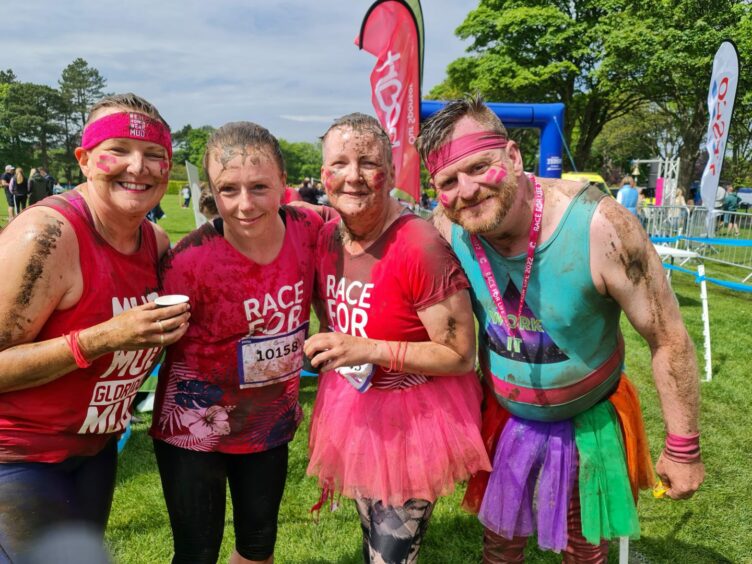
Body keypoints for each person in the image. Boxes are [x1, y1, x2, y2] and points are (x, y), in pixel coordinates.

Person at [417, 96, 704, 563]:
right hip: (506, 417)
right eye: (448, 181)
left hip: (590, 420)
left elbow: (668, 336)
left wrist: (684, 447)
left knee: (584, 547)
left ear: (513, 156)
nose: (465, 191)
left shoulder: (602, 226)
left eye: (479, 167)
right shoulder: (446, 232)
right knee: (499, 545)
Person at [0, 93, 191, 560]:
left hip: (94, 449)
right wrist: (106, 336)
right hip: (17, 454)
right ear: (84, 160)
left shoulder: (155, 241)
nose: (138, 167)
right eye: (118, 150)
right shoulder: (47, 235)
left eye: (153, 155)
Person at [305, 113, 490, 563]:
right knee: (374, 536)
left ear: (389, 172)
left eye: (367, 162)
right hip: (354, 406)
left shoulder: (419, 245)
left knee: (392, 556)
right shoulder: (326, 238)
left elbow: (461, 354)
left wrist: (365, 348)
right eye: (339, 164)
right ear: (323, 174)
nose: (353, 177)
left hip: (417, 418)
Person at [150, 122, 323, 564]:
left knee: (259, 547)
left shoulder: (309, 228)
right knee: (196, 554)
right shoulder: (187, 261)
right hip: (192, 431)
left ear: (285, 184)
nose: (245, 205)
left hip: (269, 425)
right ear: (212, 191)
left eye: (260, 187)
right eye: (229, 190)